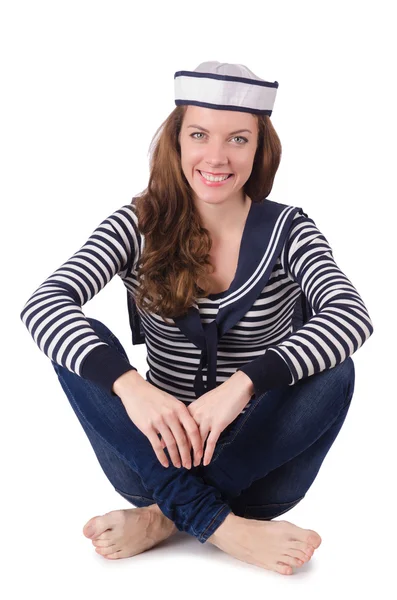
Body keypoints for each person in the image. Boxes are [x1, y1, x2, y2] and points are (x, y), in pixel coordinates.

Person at [20, 61, 374, 576]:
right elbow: (44, 303)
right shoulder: (136, 224)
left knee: (337, 369)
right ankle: (220, 524)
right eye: (200, 134)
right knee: (84, 343)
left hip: (260, 472)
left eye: (238, 139)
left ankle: (164, 518)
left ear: (260, 148)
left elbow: (351, 315)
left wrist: (244, 385)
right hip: (149, 458)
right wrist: (130, 387)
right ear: (177, 142)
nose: (216, 156)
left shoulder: (291, 229)